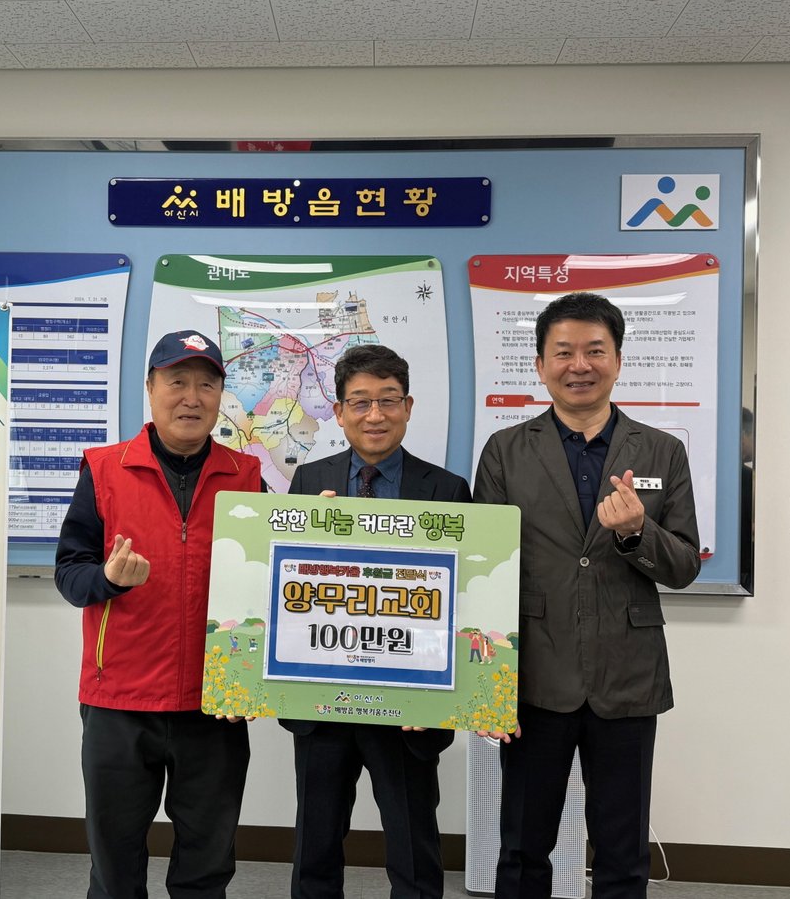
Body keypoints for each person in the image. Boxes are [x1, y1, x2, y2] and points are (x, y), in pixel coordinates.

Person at [473, 292, 701, 899]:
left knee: (622, 850)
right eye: (564, 352)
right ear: (540, 364)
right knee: (523, 847)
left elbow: (683, 566)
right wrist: (486, 686)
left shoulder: (662, 450)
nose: (580, 365)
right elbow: (484, 569)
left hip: (627, 674)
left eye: (595, 351)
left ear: (618, 361)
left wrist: (636, 532)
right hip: (532, 675)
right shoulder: (505, 451)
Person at [54, 329, 262, 899]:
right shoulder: (104, 469)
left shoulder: (247, 477)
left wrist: (314, 535)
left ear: (221, 396)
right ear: (150, 388)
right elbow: (70, 575)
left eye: (206, 385)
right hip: (119, 700)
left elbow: (269, 583)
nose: (192, 397)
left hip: (215, 703)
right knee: (114, 867)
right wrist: (108, 579)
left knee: (207, 866)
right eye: (177, 382)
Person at [282, 344, 471, 899]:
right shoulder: (308, 481)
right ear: (338, 412)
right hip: (323, 700)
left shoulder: (447, 490)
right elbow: (288, 587)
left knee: (413, 847)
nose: (375, 415)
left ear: (408, 407)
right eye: (360, 402)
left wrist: (442, 697)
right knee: (315, 844)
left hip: (409, 706)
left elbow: (463, 600)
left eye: (388, 400)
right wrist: (311, 533)